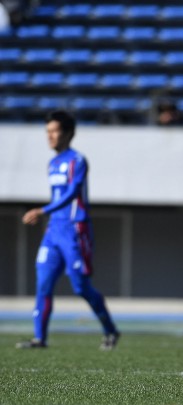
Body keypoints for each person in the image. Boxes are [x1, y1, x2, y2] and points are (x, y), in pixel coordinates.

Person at [17, 110, 120, 350]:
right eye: (47, 132)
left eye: (55, 131)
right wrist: (49, 215)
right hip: (54, 232)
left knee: (80, 287)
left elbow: (73, 193)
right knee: (43, 283)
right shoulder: (52, 163)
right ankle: (39, 338)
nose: (50, 137)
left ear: (69, 133)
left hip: (75, 231)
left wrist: (43, 210)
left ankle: (110, 330)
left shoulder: (77, 161)